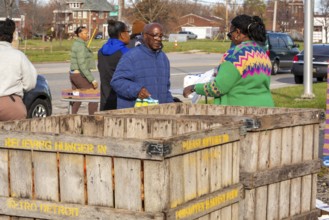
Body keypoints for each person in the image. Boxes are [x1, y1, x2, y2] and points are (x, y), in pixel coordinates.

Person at [183, 14, 274, 107]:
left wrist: (194, 87)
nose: (230, 37)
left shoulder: (236, 54)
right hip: (266, 108)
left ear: (238, 32)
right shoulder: (262, 54)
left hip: (241, 112)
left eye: (230, 34)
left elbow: (218, 88)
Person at [111, 23, 174, 109]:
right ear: (145, 36)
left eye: (161, 36)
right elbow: (116, 82)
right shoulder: (131, 57)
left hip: (158, 114)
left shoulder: (163, 58)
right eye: (155, 35)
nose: (158, 39)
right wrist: (137, 90)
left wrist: (171, 106)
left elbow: (165, 90)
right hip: (135, 115)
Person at [0, 18, 37, 121]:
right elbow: (30, 83)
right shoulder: (18, 56)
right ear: (12, 38)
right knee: (16, 135)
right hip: (10, 105)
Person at [98, 20, 130, 110]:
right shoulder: (126, 53)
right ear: (122, 35)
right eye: (128, 32)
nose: (129, 35)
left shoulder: (101, 51)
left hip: (105, 99)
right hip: (121, 101)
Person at [69, 26, 98, 115]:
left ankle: (72, 116)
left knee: (77, 96)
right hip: (79, 75)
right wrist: (92, 79)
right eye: (85, 33)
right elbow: (82, 65)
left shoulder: (76, 44)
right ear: (79, 34)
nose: (88, 35)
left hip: (73, 74)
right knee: (94, 95)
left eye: (88, 33)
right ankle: (92, 118)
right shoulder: (81, 46)